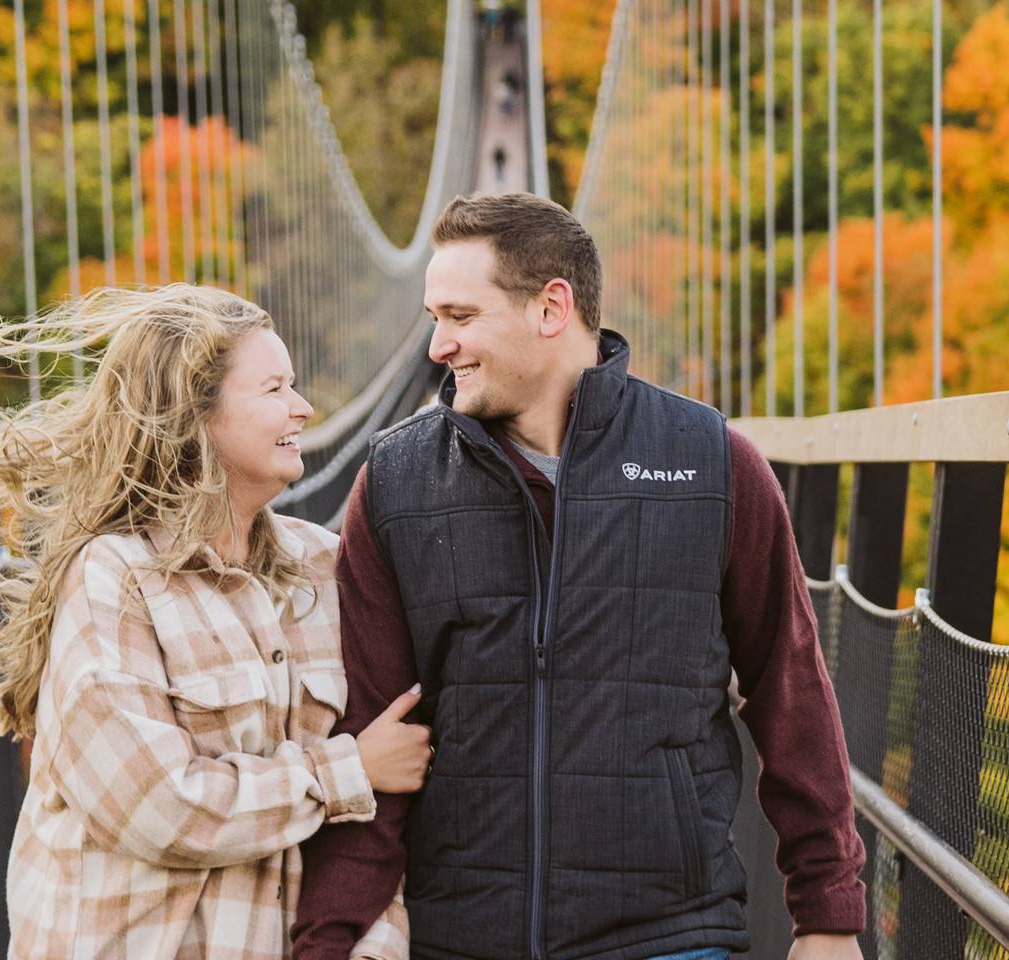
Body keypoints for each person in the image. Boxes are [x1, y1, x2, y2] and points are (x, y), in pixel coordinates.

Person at [293, 195, 866, 960]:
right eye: (436, 317)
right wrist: (322, 944)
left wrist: (828, 916)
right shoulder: (396, 483)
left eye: (460, 316)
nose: (437, 347)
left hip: (668, 936)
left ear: (551, 307)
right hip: (459, 939)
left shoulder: (714, 465)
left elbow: (791, 690)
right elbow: (372, 727)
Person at [0, 285, 433, 959]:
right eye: (273, 390)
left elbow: (382, 821)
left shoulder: (326, 568)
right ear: (194, 415)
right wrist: (343, 772)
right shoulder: (115, 579)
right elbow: (158, 807)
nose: (303, 408)